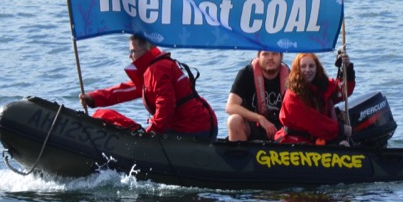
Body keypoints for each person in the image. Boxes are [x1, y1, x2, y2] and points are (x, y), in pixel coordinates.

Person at [79, 34, 217, 140]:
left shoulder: (157, 69)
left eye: (133, 51)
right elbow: (128, 90)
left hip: (192, 129)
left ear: (146, 50)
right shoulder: (154, 67)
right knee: (104, 115)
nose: (129, 56)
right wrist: (94, 98)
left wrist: (151, 133)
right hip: (199, 125)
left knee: (106, 117)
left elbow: (166, 105)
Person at [274, 49, 356, 146]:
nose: (308, 70)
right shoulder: (292, 95)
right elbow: (314, 122)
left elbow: (343, 92)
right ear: (297, 70)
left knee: (345, 144)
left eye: (311, 66)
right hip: (293, 142)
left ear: (317, 68)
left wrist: (347, 68)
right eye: (303, 66)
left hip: (316, 138)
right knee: (342, 144)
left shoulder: (322, 87)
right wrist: (340, 129)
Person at [225, 51, 289, 141]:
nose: (270, 57)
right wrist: (260, 118)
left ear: (281, 56)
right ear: (258, 56)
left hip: (282, 130)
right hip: (253, 127)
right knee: (233, 121)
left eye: (274, 54)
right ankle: (240, 153)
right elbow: (230, 107)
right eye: (265, 54)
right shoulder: (246, 73)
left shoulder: (290, 76)